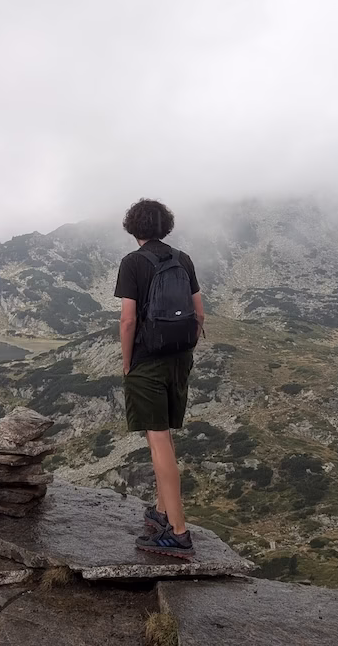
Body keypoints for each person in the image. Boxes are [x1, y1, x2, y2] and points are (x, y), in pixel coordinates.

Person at [114, 198, 204, 559]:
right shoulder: (183, 259)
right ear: (165, 226)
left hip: (148, 361)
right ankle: (163, 510)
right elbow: (199, 313)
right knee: (164, 435)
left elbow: (128, 321)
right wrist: (183, 351)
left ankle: (178, 533)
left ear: (133, 228)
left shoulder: (132, 263)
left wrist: (127, 362)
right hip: (179, 359)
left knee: (158, 441)